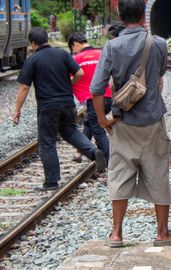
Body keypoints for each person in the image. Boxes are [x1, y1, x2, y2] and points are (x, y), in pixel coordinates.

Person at [90, 0, 171, 247]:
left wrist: (103, 120)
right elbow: (159, 75)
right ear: (143, 15)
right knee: (158, 173)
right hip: (152, 122)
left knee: (119, 175)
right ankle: (162, 233)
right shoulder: (158, 43)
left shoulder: (111, 46)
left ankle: (116, 233)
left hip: (123, 122)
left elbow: (97, 89)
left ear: (120, 15)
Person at [13, 27, 106, 191]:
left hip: (48, 107)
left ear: (33, 43)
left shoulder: (33, 60)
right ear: (47, 39)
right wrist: (69, 85)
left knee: (47, 141)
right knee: (71, 132)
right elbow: (80, 72)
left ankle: (51, 181)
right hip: (68, 104)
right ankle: (93, 152)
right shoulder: (62, 54)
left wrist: (17, 110)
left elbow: (24, 88)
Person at [68, 32, 113, 164]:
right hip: (107, 98)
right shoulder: (101, 54)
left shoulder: (76, 59)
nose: (73, 52)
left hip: (93, 99)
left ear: (75, 44)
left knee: (98, 131)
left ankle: (110, 163)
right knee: (90, 123)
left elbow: (70, 79)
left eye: (72, 49)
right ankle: (79, 152)